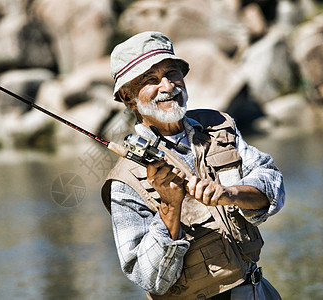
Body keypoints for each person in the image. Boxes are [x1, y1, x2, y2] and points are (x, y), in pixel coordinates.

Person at [101, 31, 285, 300]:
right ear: (129, 98)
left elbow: (273, 184)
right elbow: (149, 278)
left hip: (257, 290)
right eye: (151, 80)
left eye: (172, 73)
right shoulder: (123, 182)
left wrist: (229, 194)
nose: (167, 86)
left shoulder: (220, 127)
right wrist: (170, 208)